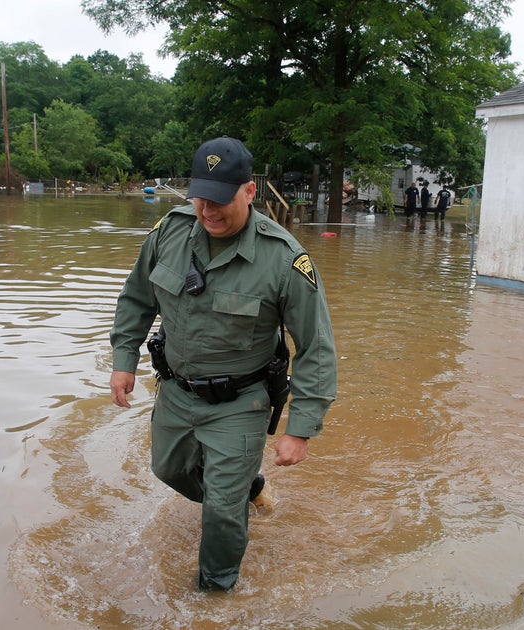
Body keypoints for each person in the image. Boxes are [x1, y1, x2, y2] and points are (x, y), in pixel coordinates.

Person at [108, 136, 338, 592]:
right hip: (175, 391)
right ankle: (244, 489)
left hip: (241, 401)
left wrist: (300, 428)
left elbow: (316, 346)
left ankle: (215, 595)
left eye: (220, 201)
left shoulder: (284, 259)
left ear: (250, 192)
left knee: (220, 511)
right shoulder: (169, 233)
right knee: (167, 470)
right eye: (200, 199)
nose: (208, 212)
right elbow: (137, 297)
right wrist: (124, 358)